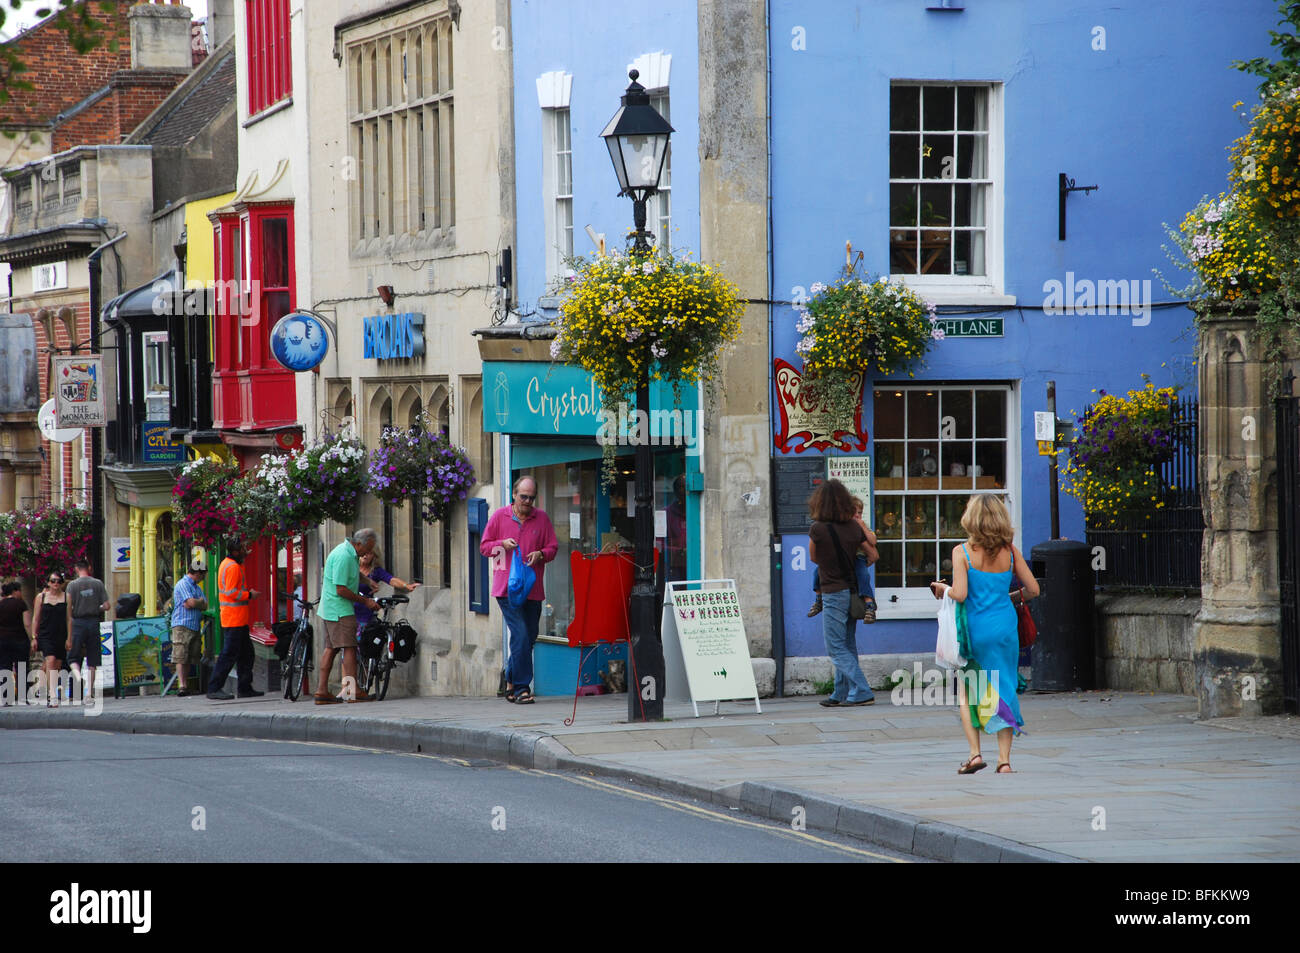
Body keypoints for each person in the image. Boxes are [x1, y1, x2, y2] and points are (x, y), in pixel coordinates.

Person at [929, 494, 1039, 775]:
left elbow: (961, 594)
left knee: (967, 691)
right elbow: (1034, 590)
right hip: (1005, 628)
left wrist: (942, 590)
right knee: (1004, 688)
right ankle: (1004, 761)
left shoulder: (962, 552)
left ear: (971, 519)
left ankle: (975, 754)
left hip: (974, 630)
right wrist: (1008, 596)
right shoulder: (1010, 552)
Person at [480, 475, 558, 704]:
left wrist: (541, 554)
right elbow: (484, 547)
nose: (527, 501)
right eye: (523, 497)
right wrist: (501, 544)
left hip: (532, 589)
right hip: (506, 589)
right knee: (522, 633)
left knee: (529, 636)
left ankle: (510, 678)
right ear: (514, 495)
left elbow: (553, 547)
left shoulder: (541, 519)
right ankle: (523, 687)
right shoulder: (499, 517)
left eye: (531, 498)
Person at [807, 479, 876, 707]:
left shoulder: (817, 529)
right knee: (847, 644)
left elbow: (814, 558)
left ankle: (862, 690)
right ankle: (841, 693)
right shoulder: (854, 527)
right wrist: (856, 567)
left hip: (833, 592)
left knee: (835, 646)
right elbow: (873, 555)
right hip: (852, 590)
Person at [315, 528, 381, 705]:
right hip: (339, 609)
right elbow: (341, 589)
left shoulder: (348, 553)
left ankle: (322, 691)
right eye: (367, 548)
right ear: (358, 543)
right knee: (350, 646)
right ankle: (352, 691)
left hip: (331, 608)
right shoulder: (345, 556)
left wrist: (368, 581)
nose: (368, 553)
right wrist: (366, 601)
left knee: (332, 648)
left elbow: (353, 573)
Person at [808, 496, 878, 622]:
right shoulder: (840, 527)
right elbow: (813, 557)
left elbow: (873, 545)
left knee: (863, 575)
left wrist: (862, 527)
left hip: (858, 558)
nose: (857, 516)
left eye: (860, 513)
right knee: (816, 572)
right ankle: (819, 599)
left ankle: (869, 604)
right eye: (854, 512)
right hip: (840, 564)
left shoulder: (862, 526)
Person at [209, 539, 262, 700]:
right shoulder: (232, 567)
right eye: (243, 549)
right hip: (234, 618)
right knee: (229, 655)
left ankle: (245, 687)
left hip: (237, 618)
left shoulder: (228, 564)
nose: (246, 552)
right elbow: (232, 592)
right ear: (236, 552)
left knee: (246, 654)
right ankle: (214, 688)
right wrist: (249, 595)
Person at [65, 560, 111, 698]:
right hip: (93, 622)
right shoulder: (98, 583)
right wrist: (97, 608)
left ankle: (78, 678)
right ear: (89, 568)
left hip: (77, 622)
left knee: (72, 656)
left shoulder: (72, 585)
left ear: (76, 569)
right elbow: (107, 606)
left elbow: (68, 607)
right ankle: (90, 692)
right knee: (93, 658)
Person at [354, 551, 418, 638]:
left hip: (366, 608)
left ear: (374, 555)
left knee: (365, 638)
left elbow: (391, 580)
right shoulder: (353, 568)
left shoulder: (376, 571)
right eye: (364, 552)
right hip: (351, 606)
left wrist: (406, 586)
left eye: (369, 553)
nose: (365, 555)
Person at [170, 559, 209, 697]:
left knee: (191, 657)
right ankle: (182, 686)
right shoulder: (183, 584)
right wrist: (196, 602)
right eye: (203, 575)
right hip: (182, 624)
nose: (203, 578)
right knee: (181, 656)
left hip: (194, 625)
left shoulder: (197, 588)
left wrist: (196, 602)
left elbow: (205, 604)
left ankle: (186, 685)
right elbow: (191, 602)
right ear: (197, 573)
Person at [31, 571, 68, 706]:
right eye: (53, 581)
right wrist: (34, 637)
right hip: (46, 635)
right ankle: (52, 696)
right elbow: (36, 618)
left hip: (61, 635)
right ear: (48, 582)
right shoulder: (41, 597)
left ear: (62, 583)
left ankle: (44, 688)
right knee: (50, 660)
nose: (55, 583)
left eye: (58, 581)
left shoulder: (66, 597)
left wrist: (70, 637)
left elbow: (70, 619)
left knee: (56, 666)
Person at [0, 582, 32, 706]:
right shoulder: (21, 604)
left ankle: (6, 697)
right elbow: (27, 623)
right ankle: (23, 696)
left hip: (2, 640)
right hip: (19, 640)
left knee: (4, 667)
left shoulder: (1, 605)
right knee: (22, 667)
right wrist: (32, 638)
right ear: (15, 591)